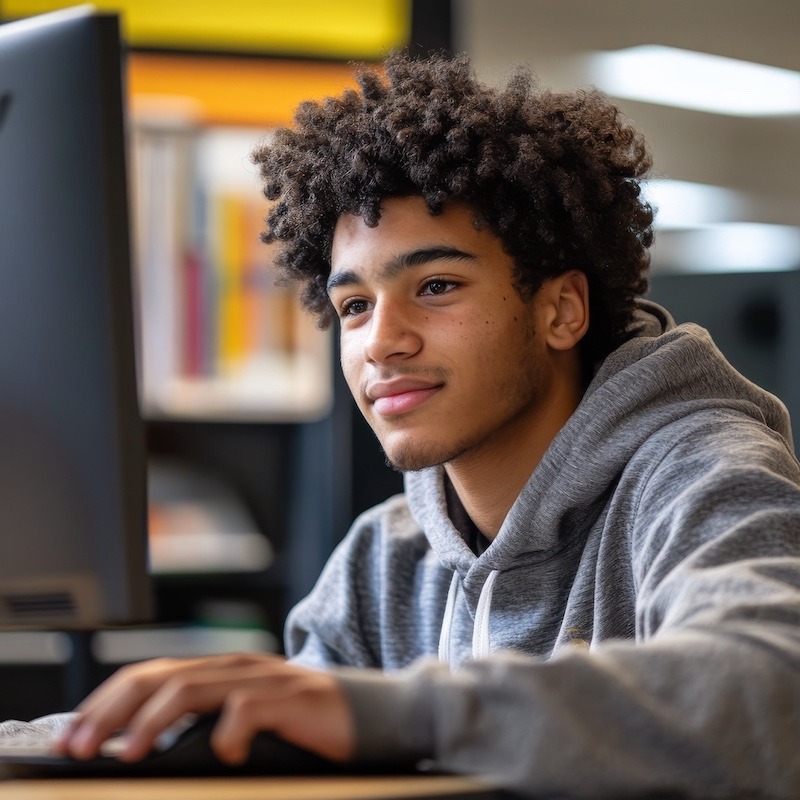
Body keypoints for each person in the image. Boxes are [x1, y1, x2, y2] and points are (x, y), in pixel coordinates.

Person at [42, 52, 800, 796]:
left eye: (436, 286)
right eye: (354, 306)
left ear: (561, 309)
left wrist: (399, 712)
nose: (382, 340)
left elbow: (774, 688)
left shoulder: (705, 473)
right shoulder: (384, 558)